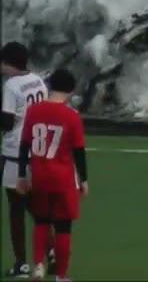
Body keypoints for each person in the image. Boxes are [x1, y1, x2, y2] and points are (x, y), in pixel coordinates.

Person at [17, 69, 87, 282]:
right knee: (63, 227)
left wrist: (22, 175)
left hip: (39, 176)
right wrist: (83, 180)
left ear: (50, 85)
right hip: (63, 179)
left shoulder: (34, 111)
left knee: (41, 222)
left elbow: (24, 146)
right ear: (71, 90)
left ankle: (38, 263)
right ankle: (61, 276)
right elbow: (78, 152)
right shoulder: (72, 117)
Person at [2, 42, 47, 279]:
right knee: (32, 201)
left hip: (14, 150)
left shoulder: (11, 86)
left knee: (16, 207)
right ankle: (49, 248)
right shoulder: (38, 80)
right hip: (36, 149)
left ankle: (21, 263)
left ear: (9, 64)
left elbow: (7, 124)